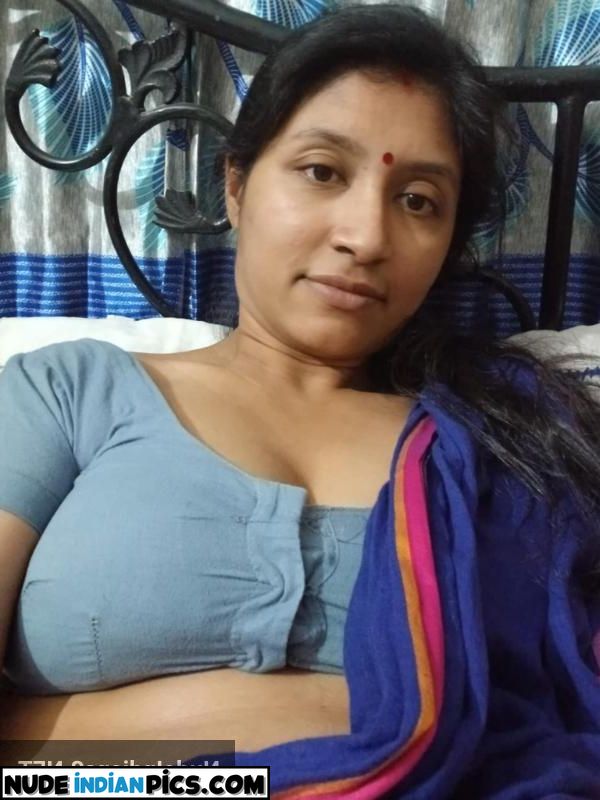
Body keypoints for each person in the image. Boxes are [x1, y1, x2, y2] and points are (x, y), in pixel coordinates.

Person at [1, 3, 599, 796]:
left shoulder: (504, 445)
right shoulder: (67, 394)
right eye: (322, 171)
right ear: (236, 185)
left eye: (418, 200)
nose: (366, 237)